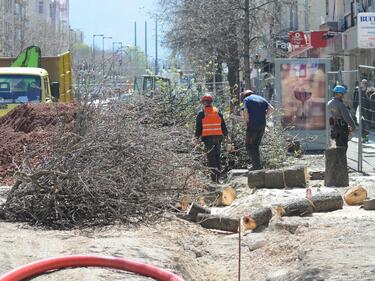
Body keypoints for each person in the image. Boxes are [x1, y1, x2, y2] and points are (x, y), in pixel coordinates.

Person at [195, 94, 228, 183]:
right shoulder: (217, 112)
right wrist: (226, 136)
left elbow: (198, 128)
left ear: (203, 102)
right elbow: (223, 125)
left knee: (211, 158)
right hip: (218, 137)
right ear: (211, 102)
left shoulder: (201, 113)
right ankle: (218, 177)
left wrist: (196, 138)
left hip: (208, 139)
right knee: (217, 156)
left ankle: (214, 179)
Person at [242, 89, 274, 170]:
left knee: (249, 146)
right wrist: (264, 115)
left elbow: (245, 111)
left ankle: (256, 166)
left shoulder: (247, 99)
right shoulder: (261, 98)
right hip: (262, 125)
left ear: (245, 95)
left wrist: (246, 121)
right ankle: (257, 165)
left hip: (252, 125)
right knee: (256, 145)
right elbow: (271, 108)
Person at [327, 85, 356, 150]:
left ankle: (337, 160)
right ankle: (342, 160)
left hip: (333, 128)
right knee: (343, 148)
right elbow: (347, 118)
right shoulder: (341, 105)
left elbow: (329, 117)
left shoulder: (329, 103)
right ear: (339, 94)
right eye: (343, 93)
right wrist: (353, 126)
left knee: (336, 147)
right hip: (342, 129)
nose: (343, 95)